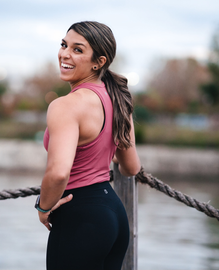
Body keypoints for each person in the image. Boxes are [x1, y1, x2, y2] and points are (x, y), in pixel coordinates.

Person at [36, 21, 141, 270]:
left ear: (99, 62)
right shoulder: (119, 101)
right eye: (64, 45)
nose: (65, 54)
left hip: (81, 218)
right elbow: (131, 167)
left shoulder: (65, 105)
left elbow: (59, 172)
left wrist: (43, 207)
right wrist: (103, 149)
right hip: (114, 217)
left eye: (77, 49)